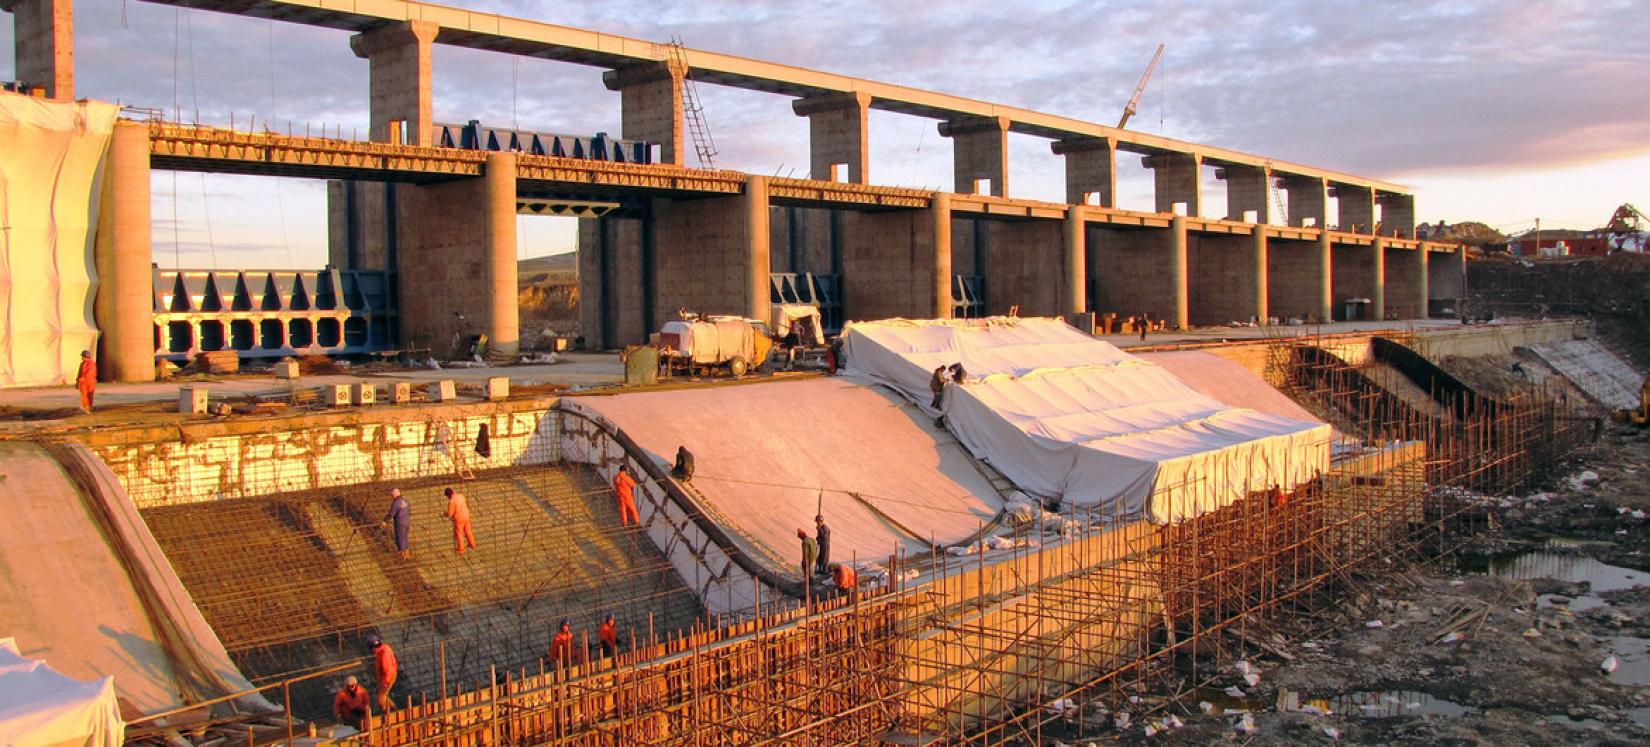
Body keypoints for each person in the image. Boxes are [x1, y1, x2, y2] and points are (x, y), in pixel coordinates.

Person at [368, 635, 398, 713]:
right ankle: (395, 710)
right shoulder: (384, 648)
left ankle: (386, 714)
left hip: (387, 677)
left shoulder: (383, 653)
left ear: (372, 647)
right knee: (384, 695)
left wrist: (386, 682)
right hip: (387, 676)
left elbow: (387, 669)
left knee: (380, 698)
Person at [443, 487, 476, 555]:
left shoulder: (452, 501)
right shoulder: (461, 496)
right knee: (468, 531)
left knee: (459, 533)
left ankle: (461, 549)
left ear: (448, 496)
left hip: (459, 519)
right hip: (466, 515)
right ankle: (472, 545)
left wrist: (445, 514)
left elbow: (450, 513)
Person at [380, 488, 412, 559]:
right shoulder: (406, 500)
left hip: (400, 524)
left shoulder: (395, 503)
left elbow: (391, 514)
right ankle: (407, 553)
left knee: (400, 538)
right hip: (407, 522)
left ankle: (402, 554)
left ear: (394, 496)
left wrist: (385, 520)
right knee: (405, 537)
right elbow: (409, 510)